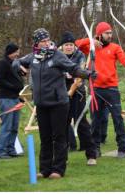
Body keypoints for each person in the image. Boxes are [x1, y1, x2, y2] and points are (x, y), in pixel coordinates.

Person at [13, 28, 96, 179]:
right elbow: (17, 61)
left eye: (48, 40)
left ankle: (58, 169)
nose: (46, 43)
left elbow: (73, 69)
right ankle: (44, 169)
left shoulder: (57, 55)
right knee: (45, 138)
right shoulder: (33, 56)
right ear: (36, 43)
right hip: (41, 104)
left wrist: (88, 73)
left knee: (59, 136)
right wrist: (18, 67)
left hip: (58, 103)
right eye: (42, 41)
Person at [75, 22, 125, 159]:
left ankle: (122, 149)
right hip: (95, 89)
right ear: (99, 34)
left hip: (112, 88)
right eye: (106, 33)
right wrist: (91, 41)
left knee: (117, 118)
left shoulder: (115, 47)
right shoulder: (91, 47)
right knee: (95, 120)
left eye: (110, 33)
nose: (109, 35)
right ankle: (96, 148)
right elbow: (76, 44)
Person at [58, 31, 97, 165]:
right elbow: (53, 73)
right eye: (66, 45)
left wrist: (80, 80)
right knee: (62, 124)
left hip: (78, 93)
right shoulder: (57, 56)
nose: (69, 47)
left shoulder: (80, 55)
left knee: (82, 123)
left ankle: (91, 155)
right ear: (62, 46)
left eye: (71, 44)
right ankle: (62, 157)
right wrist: (65, 75)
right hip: (63, 93)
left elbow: (83, 69)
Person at [0, 43, 24, 160]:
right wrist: (13, 86)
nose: (17, 54)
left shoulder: (12, 63)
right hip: (7, 98)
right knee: (6, 126)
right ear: (9, 52)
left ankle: (10, 149)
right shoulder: (2, 62)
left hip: (15, 98)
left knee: (14, 125)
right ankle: (1, 151)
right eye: (16, 52)